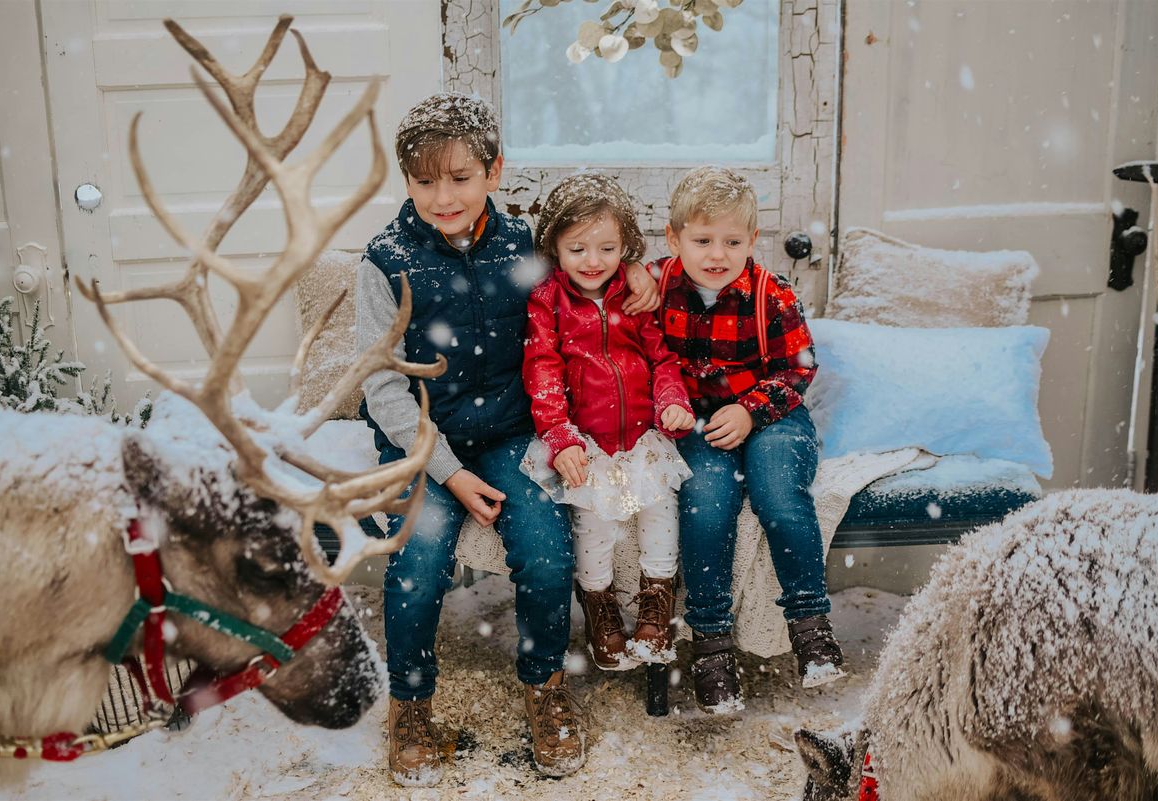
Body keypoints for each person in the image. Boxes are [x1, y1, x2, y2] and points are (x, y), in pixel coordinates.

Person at [356, 93, 658, 785]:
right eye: (425, 180)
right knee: (419, 557)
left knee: (549, 555)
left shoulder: (525, 243)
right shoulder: (386, 259)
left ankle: (545, 684)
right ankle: (409, 703)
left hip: (514, 431)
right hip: (424, 441)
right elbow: (383, 389)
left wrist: (637, 268)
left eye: (460, 177)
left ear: (495, 172)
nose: (444, 196)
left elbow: (594, 267)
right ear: (405, 182)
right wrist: (450, 472)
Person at [652, 166, 846, 714]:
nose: (718, 254)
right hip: (699, 423)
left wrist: (750, 409)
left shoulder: (772, 295)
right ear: (674, 239)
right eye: (703, 240)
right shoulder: (655, 285)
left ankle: (809, 623)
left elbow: (798, 371)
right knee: (707, 507)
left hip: (773, 414)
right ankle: (711, 643)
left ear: (752, 241)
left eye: (732, 241)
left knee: (779, 497)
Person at [521, 173, 696, 673]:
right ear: (555, 246)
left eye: (607, 248)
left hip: (644, 437)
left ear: (626, 247)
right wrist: (559, 437)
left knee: (660, 513)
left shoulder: (634, 297)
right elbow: (543, 372)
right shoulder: (547, 301)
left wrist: (672, 402)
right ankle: (601, 611)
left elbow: (662, 360)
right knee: (592, 526)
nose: (593, 261)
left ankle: (656, 607)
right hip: (586, 445)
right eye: (577, 248)